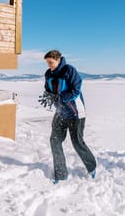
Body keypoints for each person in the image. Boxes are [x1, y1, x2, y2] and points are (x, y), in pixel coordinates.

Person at [39, 50, 96, 184]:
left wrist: (60, 97)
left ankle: (92, 167)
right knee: (55, 141)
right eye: (47, 63)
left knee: (77, 142)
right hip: (60, 113)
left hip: (76, 113)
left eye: (51, 62)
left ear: (58, 59)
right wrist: (48, 96)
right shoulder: (48, 74)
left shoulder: (69, 71)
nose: (49, 66)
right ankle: (61, 173)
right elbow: (48, 89)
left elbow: (76, 91)